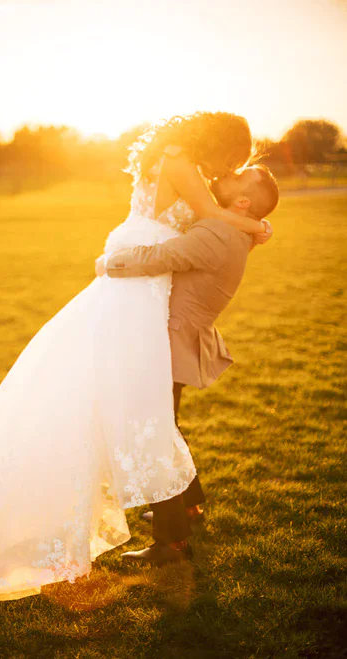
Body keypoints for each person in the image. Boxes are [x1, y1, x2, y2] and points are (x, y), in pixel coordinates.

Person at [0, 112, 269, 614]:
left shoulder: (181, 159)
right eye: (231, 159)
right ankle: (172, 522)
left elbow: (201, 218)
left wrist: (244, 218)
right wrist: (255, 223)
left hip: (146, 281)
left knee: (138, 406)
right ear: (219, 144)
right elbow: (206, 212)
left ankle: (177, 516)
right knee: (136, 407)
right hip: (137, 280)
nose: (227, 169)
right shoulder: (181, 160)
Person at [96, 164, 279, 565]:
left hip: (171, 341)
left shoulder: (218, 232)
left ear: (242, 201)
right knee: (166, 426)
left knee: (156, 435)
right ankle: (189, 505)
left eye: (237, 176)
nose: (225, 173)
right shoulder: (237, 229)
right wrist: (261, 226)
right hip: (180, 337)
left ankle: (172, 543)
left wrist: (108, 263)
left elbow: (162, 257)